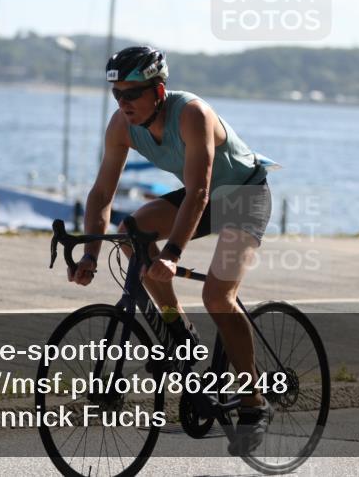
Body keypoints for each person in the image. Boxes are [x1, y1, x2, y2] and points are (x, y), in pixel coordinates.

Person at [75, 46, 273, 455]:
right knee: (132, 233)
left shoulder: (192, 114)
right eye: (117, 94)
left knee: (217, 296)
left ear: (158, 90)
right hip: (205, 197)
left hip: (244, 196)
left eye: (132, 93)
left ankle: (254, 402)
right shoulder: (121, 126)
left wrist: (173, 253)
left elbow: (198, 191)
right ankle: (178, 331)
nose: (123, 102)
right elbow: (100, 195)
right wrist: (90, 255)